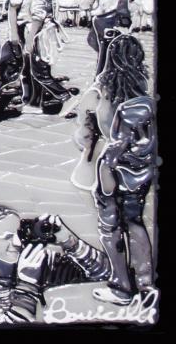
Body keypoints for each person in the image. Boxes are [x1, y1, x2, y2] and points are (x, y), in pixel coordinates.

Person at [73, 33, 155, 305]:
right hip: (139, 168)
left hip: (109, 168)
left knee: (110, 226)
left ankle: (121, 285)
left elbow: (83, 136)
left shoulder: (99, 91)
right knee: (135, 221)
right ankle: (146, 283)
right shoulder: (143, 87)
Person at [0, 203, 110, 325]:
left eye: (18, 234)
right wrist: (27, 285)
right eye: (7, 237)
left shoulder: (39, 263)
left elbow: (109, 276)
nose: (17, 243)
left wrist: (70, 242)